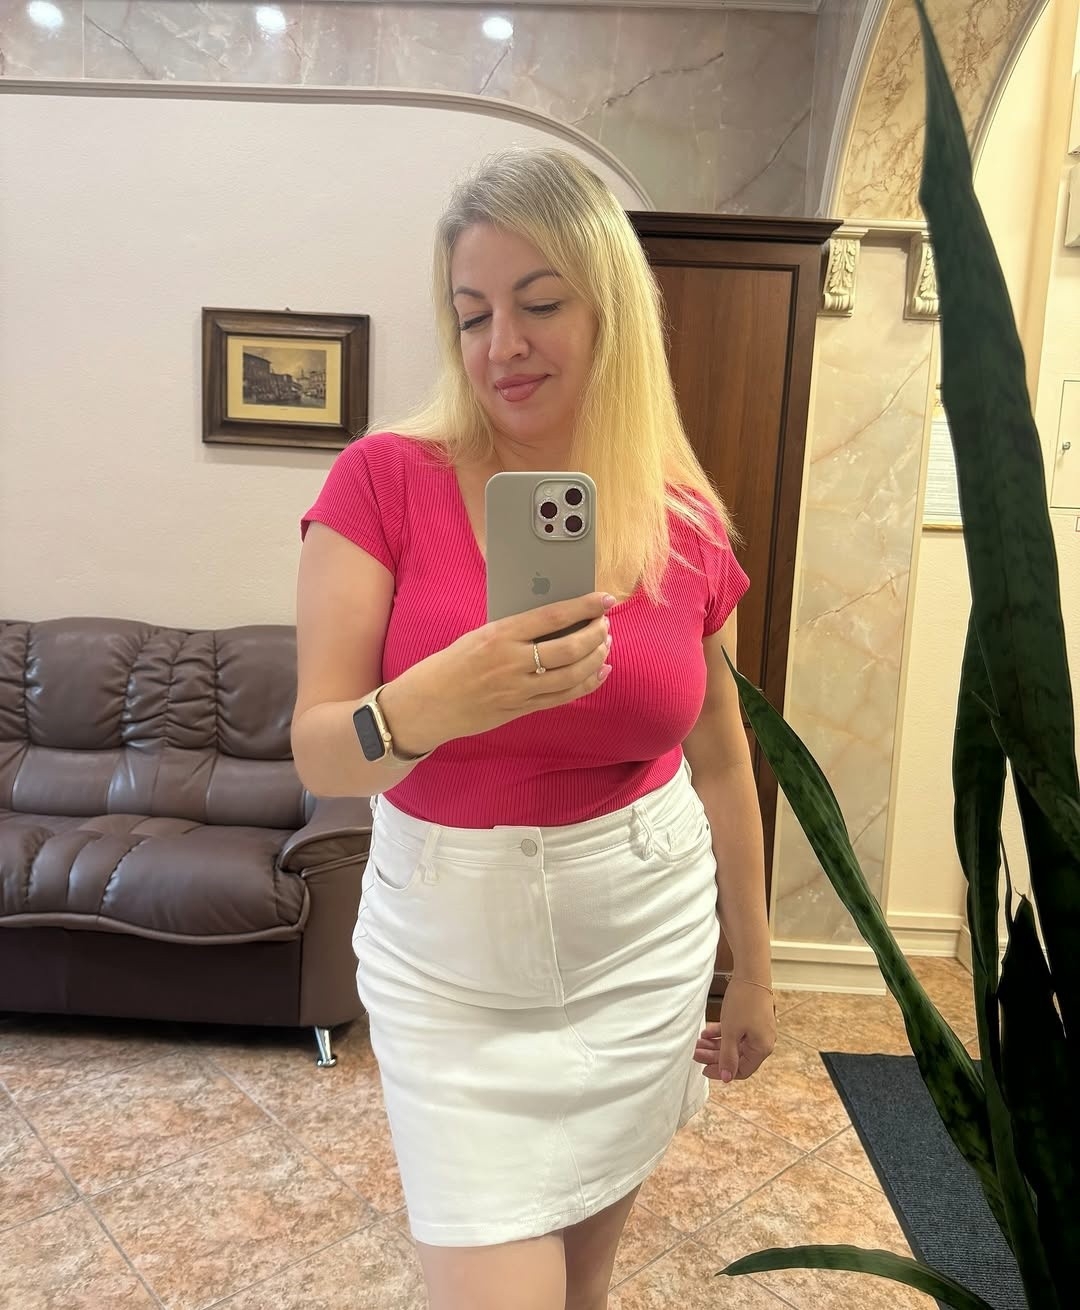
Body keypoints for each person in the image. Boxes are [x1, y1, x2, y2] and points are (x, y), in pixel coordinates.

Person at [291, 147, 776, 1310]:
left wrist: (754, 969)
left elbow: (720, 753)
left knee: (582, 1284)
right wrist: (430, 704)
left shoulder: (683, 517)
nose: (501, 343)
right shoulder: (382, 482)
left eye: (539, 302)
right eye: (472, 314)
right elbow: (318, 746)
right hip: (451, 959)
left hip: (641, 933)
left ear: (611, 307)